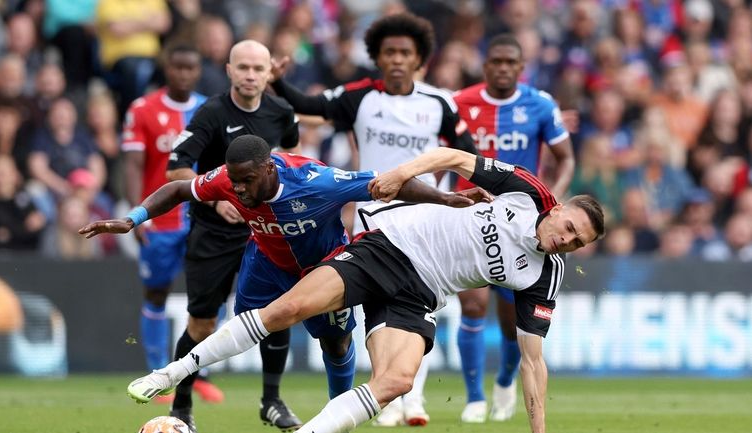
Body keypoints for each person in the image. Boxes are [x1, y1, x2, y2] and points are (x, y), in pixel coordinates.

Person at [112, 147, 605, 433]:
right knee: (289, 308)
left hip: (421, 293)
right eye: (569, 227)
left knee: (398, 383)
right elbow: (454, 156)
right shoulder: (525, 191)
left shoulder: (543, 274)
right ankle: (171, 372)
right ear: (558, 208)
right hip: (389, 246)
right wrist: (403, 173)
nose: (567, 240)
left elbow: (533, 361)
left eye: (578, 242)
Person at [82, 134, 483, 422]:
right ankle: (196, 384)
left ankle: (336, 414)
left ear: (269, 168)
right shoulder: (227, 178)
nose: (237, 189)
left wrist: (447, 198)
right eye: (234, 181)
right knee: (254, 329)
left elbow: (390, 184)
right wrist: (131, 219)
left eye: (246, 181)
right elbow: (178, 190)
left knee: (336, 344)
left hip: (324, 268)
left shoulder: (317, 181)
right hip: (265, 264)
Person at [270, 13, 478, 425]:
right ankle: (388, 390)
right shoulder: (359, 97)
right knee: (375, 305)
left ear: (419, 59)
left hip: (425, 218)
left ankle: (412, 398)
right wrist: (277, 82)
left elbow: (468, 155)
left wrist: (459, 201)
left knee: (421, 302)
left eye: (406, 53)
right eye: (389, 53)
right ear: (378, 58)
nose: (397, 59)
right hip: (373, 217)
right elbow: (309, 106)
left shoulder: (440, 103)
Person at [162, 40, 303, 431]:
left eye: (258, 68)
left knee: (278, 315)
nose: (251, 75)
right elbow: (176, 169)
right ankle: (182, 407)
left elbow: (294, 157)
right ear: (228, 70)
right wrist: (214, 201)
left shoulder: (282, 112)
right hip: (213, 233)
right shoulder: (210, 113)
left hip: (265, 233)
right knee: (201, 325)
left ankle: (271, 401)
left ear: (269, 72)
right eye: (243, 67)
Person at [450, 34, 575, 423]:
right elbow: (444, 154)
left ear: (521, 68)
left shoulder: (539, 104)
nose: (503, 68)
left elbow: (565, 158)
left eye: (511, 63)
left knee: (510, 321)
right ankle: (473, 397)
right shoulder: (459, 102)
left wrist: (552, 202)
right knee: (471, 303)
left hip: (522, 225)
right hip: (470, 213)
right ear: (485, 65)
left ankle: (505, 378)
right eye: (496, 61)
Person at [121, 44, 215, 405]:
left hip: (201, 219)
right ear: (167, 68)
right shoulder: (143, 109)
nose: (184, 74)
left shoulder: (209, 109)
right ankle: (157, 371)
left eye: (190, 67)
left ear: (197, 69)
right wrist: (134, 210)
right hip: (159, 220)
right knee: (157, 293)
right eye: (177, 67)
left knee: (206, 296)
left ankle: (199, 373)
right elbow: (132, 163)